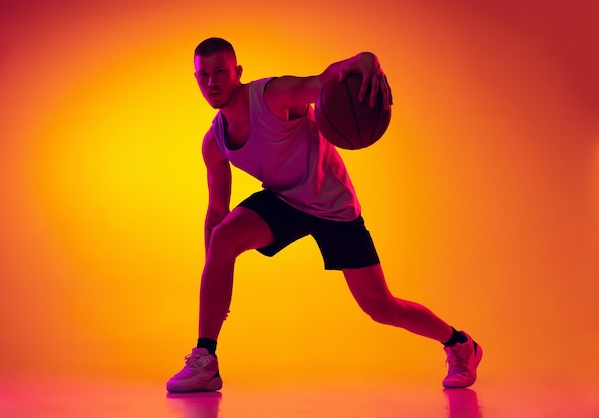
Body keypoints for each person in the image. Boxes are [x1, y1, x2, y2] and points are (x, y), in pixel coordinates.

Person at [166, 37, 482, 393]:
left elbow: (325, 79)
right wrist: (214, 270)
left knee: (380, 307)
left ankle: (460, 344)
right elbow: (216, 212)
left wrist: (367, 58)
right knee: (223, 236)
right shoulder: (215, 142)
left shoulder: (273, 96)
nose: (212, 82)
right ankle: (206, 359)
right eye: (203, 75)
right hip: (284, 201)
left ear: (237, 72)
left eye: (220, 72)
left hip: (333, 206)